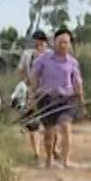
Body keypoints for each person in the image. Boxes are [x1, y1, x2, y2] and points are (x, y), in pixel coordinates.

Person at [30, 28, 84, 167]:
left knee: (66, 127)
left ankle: (66, 160)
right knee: (49, 131)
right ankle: (49, 159)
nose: (64, 45)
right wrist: (33, 94)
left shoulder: (72, 62)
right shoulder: (43, 59)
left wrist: (81, 101)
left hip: (66, 99)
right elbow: (34, 77)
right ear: (54, 42)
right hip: (47, 99)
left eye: (66, 43)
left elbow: (77, 82)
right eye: (61, 42)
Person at [17, 30, 49, 154]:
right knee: (33, 123)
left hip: (46, 92)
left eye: (41, 41)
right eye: (37, 41)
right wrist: (26, 84)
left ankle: (50, 149)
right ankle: (36, 152)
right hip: (32, 92)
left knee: (49, 123)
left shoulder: (50, 55)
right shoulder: (27, 55)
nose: (39, 43)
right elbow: (21, 71)